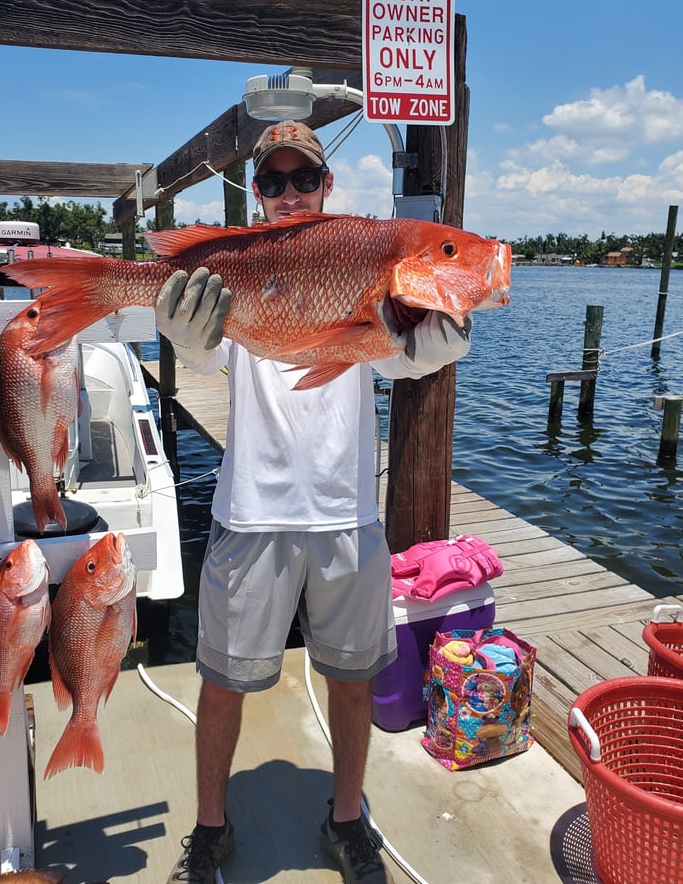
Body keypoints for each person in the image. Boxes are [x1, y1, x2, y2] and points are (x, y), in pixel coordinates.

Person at [156, 121, 472, 884]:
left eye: (304, 179)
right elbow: (204, 348)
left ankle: (346, 817)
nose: (289, 193)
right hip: (251, 514)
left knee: (353, 676)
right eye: (272, 181)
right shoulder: (236, 265)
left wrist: (439, 334)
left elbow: (405, 354)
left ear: (328, 186)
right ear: (254, 193)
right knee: (223, 679)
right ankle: (209, 827)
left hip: (347, 516)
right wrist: (182, 333)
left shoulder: (365, 255)